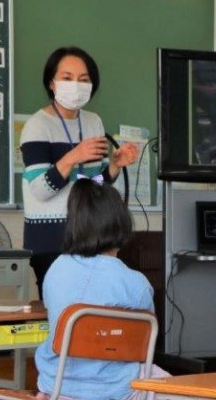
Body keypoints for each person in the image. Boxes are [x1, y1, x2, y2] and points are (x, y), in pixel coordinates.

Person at [17, 179, 184, 400]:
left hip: (59, 377)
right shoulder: (133, 281)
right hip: (113, 383)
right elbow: (142, 344)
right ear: (121, 225)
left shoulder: (56, 269)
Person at [20, 46, 139, 299]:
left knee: (93, 316)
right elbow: (40, 190)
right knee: (62, 317)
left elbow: (93, 186)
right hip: (51, 241)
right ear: (52, 83)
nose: (76, 85)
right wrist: (74, 156)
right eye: (67, 77)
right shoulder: (37, 125)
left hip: (91, 237)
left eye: (83, 80)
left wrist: (115, 166)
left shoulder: (93, 121)